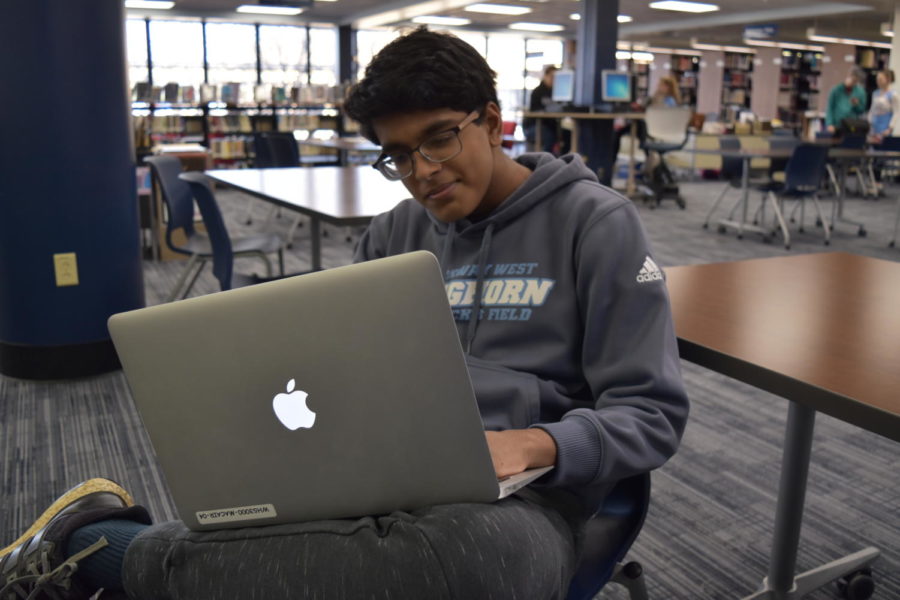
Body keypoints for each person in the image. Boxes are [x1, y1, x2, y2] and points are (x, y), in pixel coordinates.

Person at [0, 28, 689, 600]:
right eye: (398, 155)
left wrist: (535, 443)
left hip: (535, 499)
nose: (421, 172)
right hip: (388, 469)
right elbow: (339, 374)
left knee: (465, 565)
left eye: (440, 138)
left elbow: (652, 414)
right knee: (249, 512)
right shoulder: (393, 233)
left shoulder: (596, 224)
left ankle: (94, 547)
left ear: (494, 120)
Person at [524, 65, 563, 154]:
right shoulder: (537, 92)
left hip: (549, 125)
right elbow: (535, 112)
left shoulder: (556, 92)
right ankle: (545, 162)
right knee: (550, 136)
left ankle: (561, 161)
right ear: (545, 76)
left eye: (556, 77)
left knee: (566, 134)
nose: (554, 80)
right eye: (552, 77)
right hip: (533, 126)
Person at [825, 65, 867, 134]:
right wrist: (829, 124)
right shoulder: (836, 90)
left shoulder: (860, 92)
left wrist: (856, 104)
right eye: (853, 79)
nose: (853, 83)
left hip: (852, 125)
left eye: (855, 81)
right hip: (837, 125)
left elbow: (861, 110)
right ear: (848, 76)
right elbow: (830, 108)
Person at [867, 69, 898, 142]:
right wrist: (869, 122)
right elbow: (872, 110)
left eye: (880, 79)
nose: (878, 81)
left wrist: (890, 128)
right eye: (877, 79)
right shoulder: (875, 93)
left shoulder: (893, 95)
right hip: (873, 125)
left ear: (888, 80)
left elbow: (897, 112)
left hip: (885, 126)